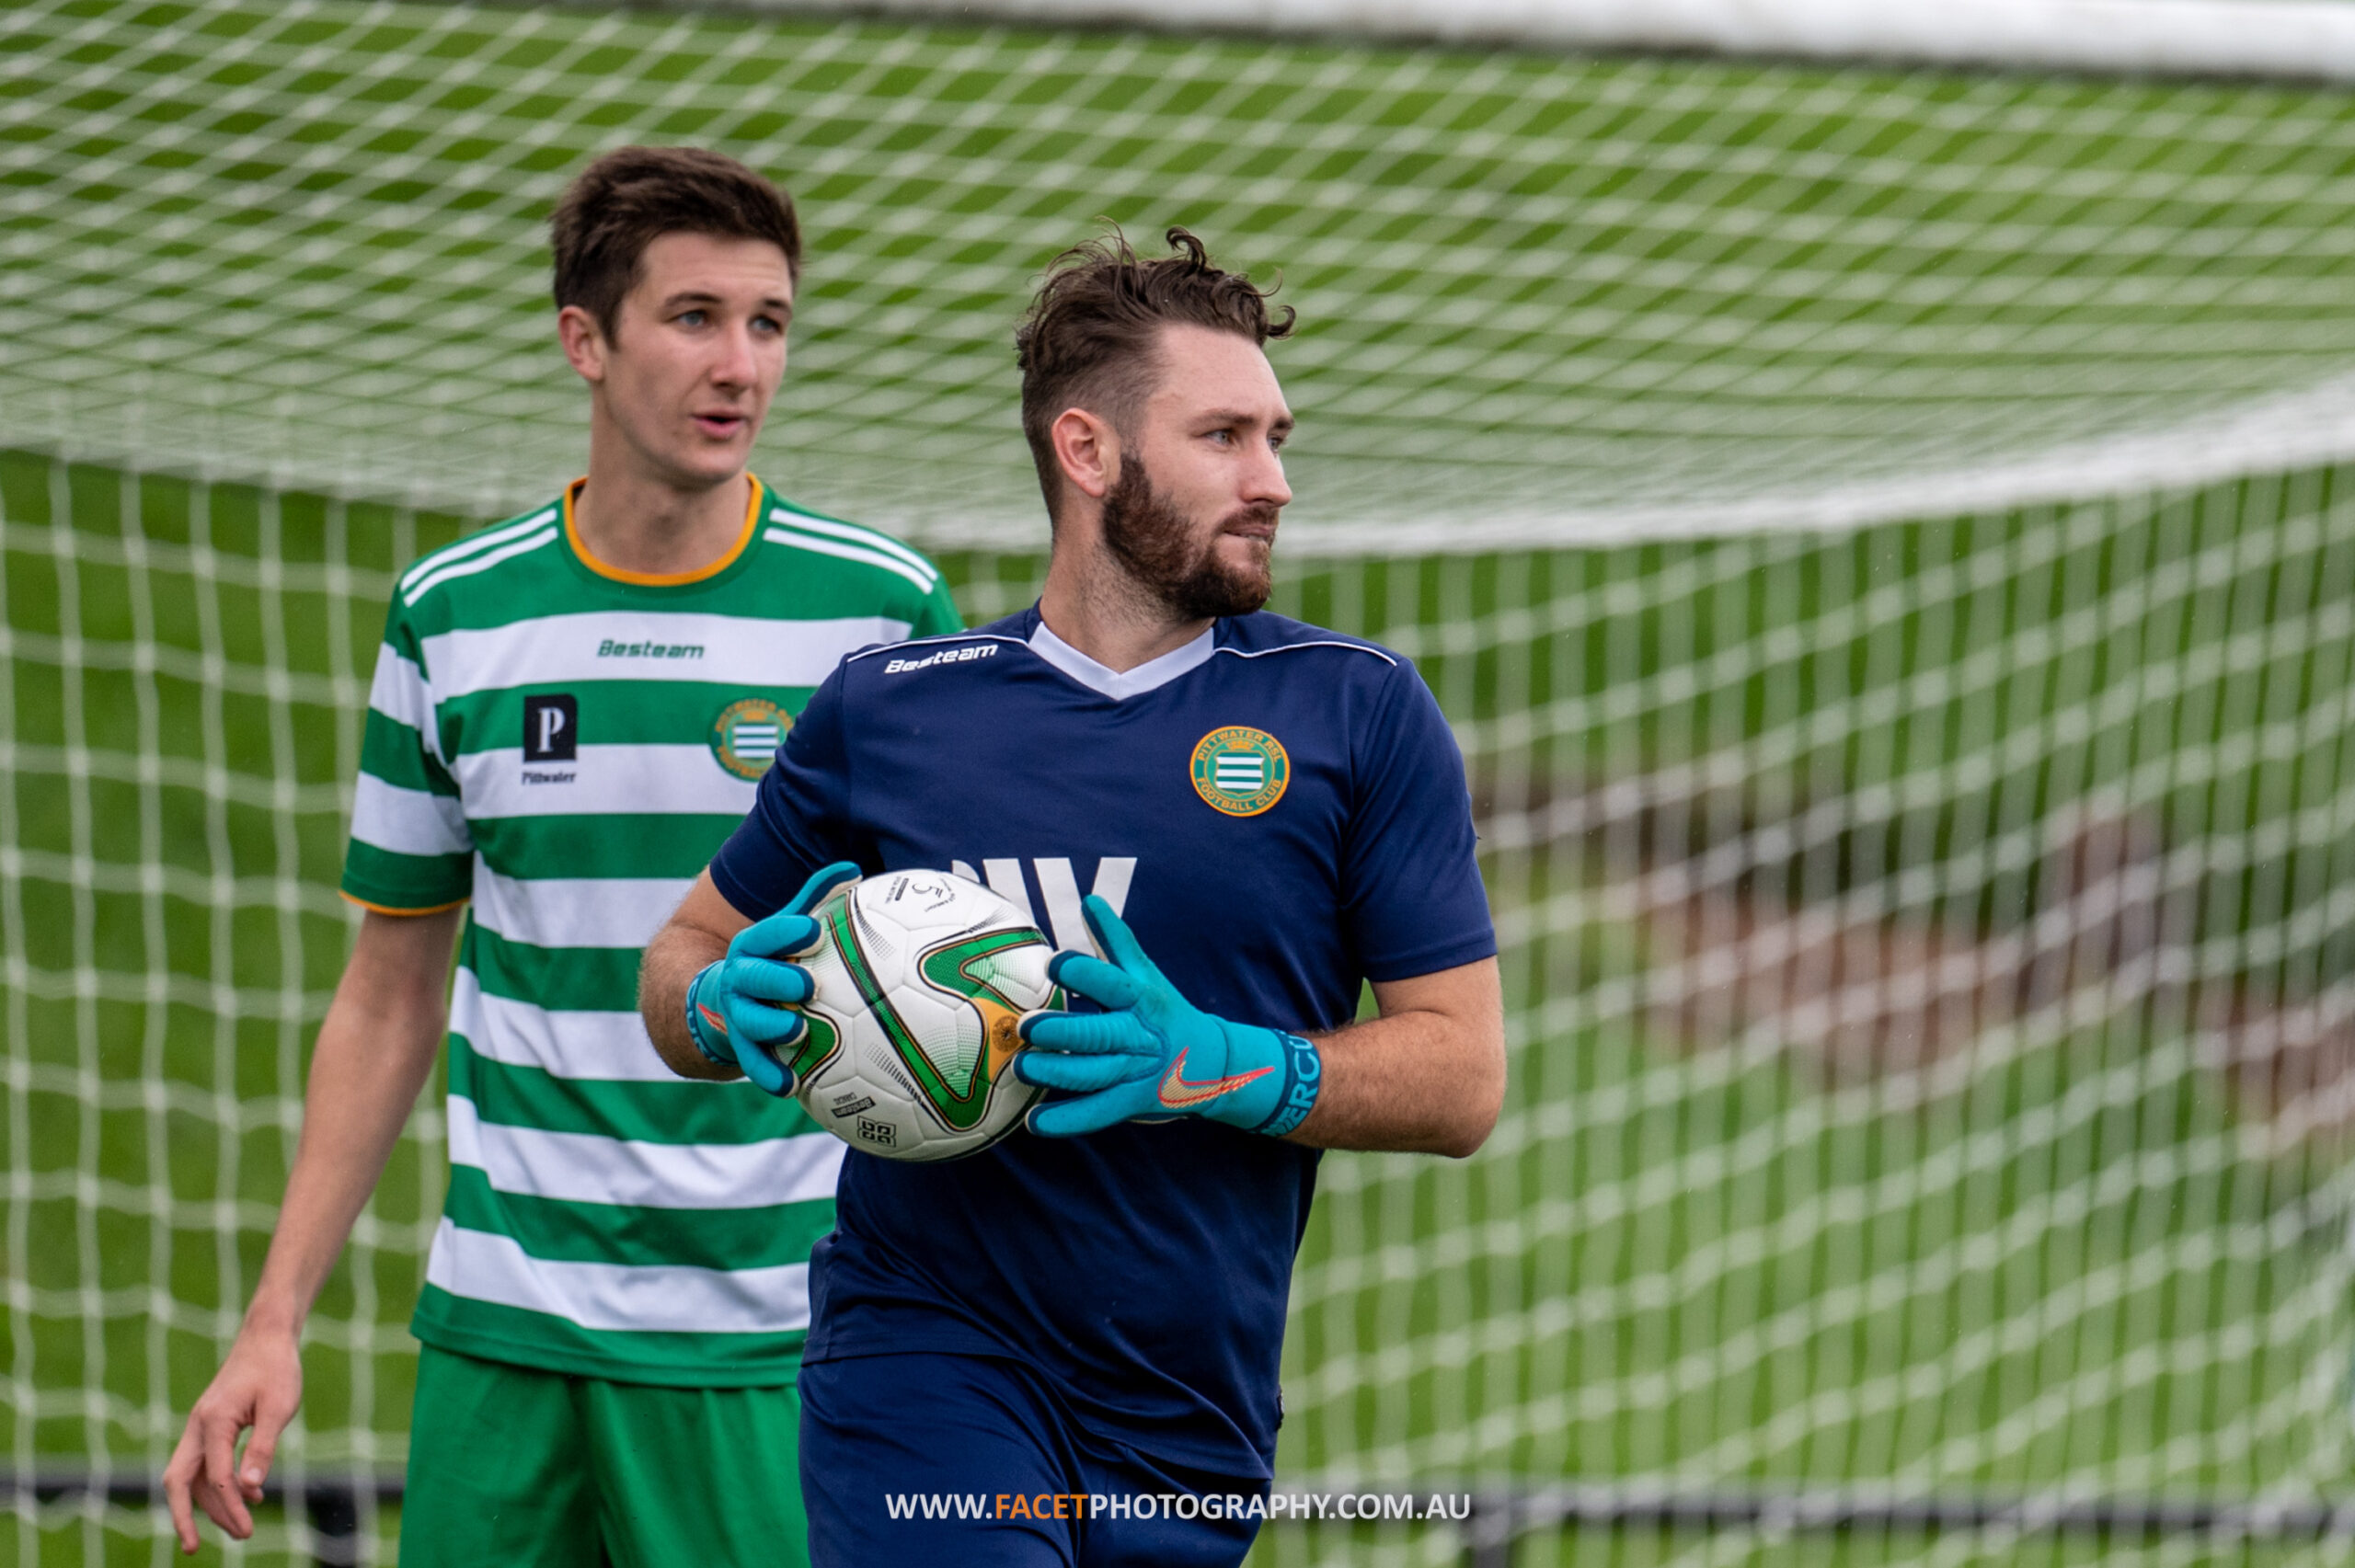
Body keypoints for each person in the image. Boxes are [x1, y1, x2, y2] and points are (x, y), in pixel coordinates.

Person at [638, 227, 1505, 1566]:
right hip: (923, 1354)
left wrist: (1220, 1065)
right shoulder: (893, 707)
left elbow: (1462, 1079)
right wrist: (714, 998)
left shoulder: (1358, 711)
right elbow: (683, 953)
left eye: (1277, 436)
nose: (1272, 479)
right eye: (1224, 436)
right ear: (1088, 452)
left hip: (1191, 1411)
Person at [163, 145, 961, 1564]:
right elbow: (389, 989)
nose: (741, 365)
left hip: (772, 1346)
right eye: (696, 317)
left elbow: (957, 965)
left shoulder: (881, 614)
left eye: (768, 322)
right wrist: (272, 1319)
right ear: (584, 341)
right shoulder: (455, 613)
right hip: (504, 1335)